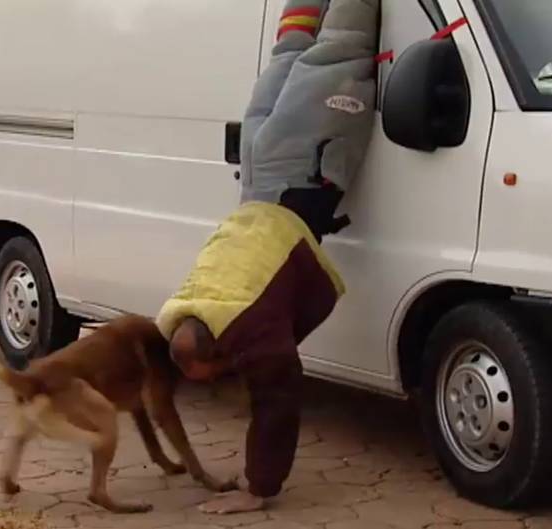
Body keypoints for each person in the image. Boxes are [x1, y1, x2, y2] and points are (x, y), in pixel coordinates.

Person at [155, 0, 379, 515]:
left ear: (216, 353)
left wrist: (258, 489)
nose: (211, 386)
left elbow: (278, 405)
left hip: (299, 176)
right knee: (289, 53)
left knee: (337, 55)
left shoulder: (249, 331)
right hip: (256, 174)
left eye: (208, 377)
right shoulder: (185, 305)